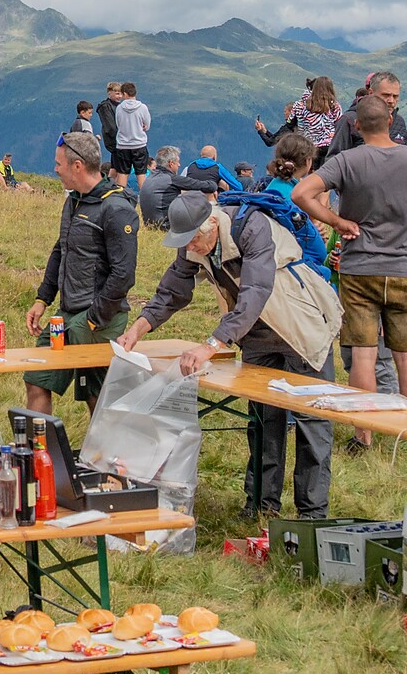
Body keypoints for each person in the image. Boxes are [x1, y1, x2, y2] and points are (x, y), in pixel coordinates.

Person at [121, 189, 339, 518]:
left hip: (302, 327)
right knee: (263, 421)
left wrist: (212, 345)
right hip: (256, 334)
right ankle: (261, 507)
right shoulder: (193, 242)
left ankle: (312, 516)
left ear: (211, 223)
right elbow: (172, 290)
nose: (189, 249)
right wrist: (138, 329)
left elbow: (255, 292)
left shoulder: (252, 228)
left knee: (312, 422)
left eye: (193, 240)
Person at [293, 94, 407, 417]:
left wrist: (337, 222)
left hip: (359, 268)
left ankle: (364, 433)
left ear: (356, 126)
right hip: (403, 267)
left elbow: (302, 193)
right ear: (390, 121)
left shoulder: (347, 161)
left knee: (363, 355)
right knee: (404, 355)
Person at [24, 132, 138, 415]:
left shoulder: (116, 208)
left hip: (98, 318)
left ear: (77, 166)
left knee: (94, 393)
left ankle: (106, 458)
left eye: (58, 163)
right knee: (37, 379)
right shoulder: (74, 200)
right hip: (67, 311)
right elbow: (61, 249)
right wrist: (42, 299)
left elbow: (123, 274)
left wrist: (92, 320)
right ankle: (40, 455)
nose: (55, 169)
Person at [324, 70, 407, 155]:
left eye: (395, 96)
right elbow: (333, 157)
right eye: (386, 95)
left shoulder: (399, 121)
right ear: (371, 93)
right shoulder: (349, 119)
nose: (391, 101)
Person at [111, 82, 151, 193]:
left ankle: (120, 198)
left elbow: (118, 124)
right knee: (141, 174)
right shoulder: (142, 107)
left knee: (122, 174)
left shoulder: (119, 108)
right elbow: (147, 125)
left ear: (125, 93)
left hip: (123, 145)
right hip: (139, 144)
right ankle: (144, 200)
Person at [173, 146, 243, 197]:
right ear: (214, 156)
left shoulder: (190, 166)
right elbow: (238, 187)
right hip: (209, 200)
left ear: (201, 155)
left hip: (191, 199)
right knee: (223, 183)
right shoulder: (218, 167)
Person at [139, 147, 183, 225]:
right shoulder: (170, 178)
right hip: (165, 225)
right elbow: (199, 185)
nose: (179, 165)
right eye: (178, 162)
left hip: (149, 224)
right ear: (171, 163)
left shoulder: (149, 177)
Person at [96, 81, 124, 167]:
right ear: (109, 93)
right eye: (117, 94)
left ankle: (111, 179)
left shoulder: (119, 106)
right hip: (114, 141)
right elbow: (110, 127)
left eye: (121, 94)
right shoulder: (105, 107)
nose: (119, 96)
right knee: (120, 166)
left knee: (115, 166)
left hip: (119, 140)